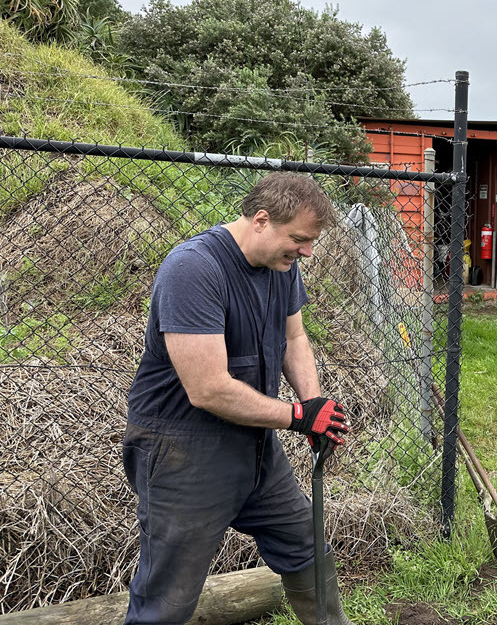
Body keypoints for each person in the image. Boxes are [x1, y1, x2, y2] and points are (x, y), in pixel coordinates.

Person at [123, 171, 354, 625]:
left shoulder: (281, 266)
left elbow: (294, 338)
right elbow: (207, 388)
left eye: (310, 242)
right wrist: (296, 416)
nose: (307, 251)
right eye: (300, 239)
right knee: (168, 597)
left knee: (305, 545)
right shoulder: (194, 269)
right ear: (262, 220)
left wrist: (315, 406)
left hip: (254, 443)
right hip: (182, 451)